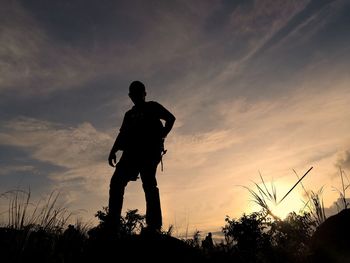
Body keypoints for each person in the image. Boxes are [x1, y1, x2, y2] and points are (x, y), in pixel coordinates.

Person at [107, 80, 175, 234]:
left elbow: (171, 119)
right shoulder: (129, 115)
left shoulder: (153, 107)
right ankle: (112, 224)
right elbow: (122, 133)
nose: (136, 96)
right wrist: (113, 150)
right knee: (117, 182)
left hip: (149, 153)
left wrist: (162, 135)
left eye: (139, 92)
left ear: (144, 93)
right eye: (133, 93)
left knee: (149, 184)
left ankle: (154, 226)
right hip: (131, 153)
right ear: (130, 96)